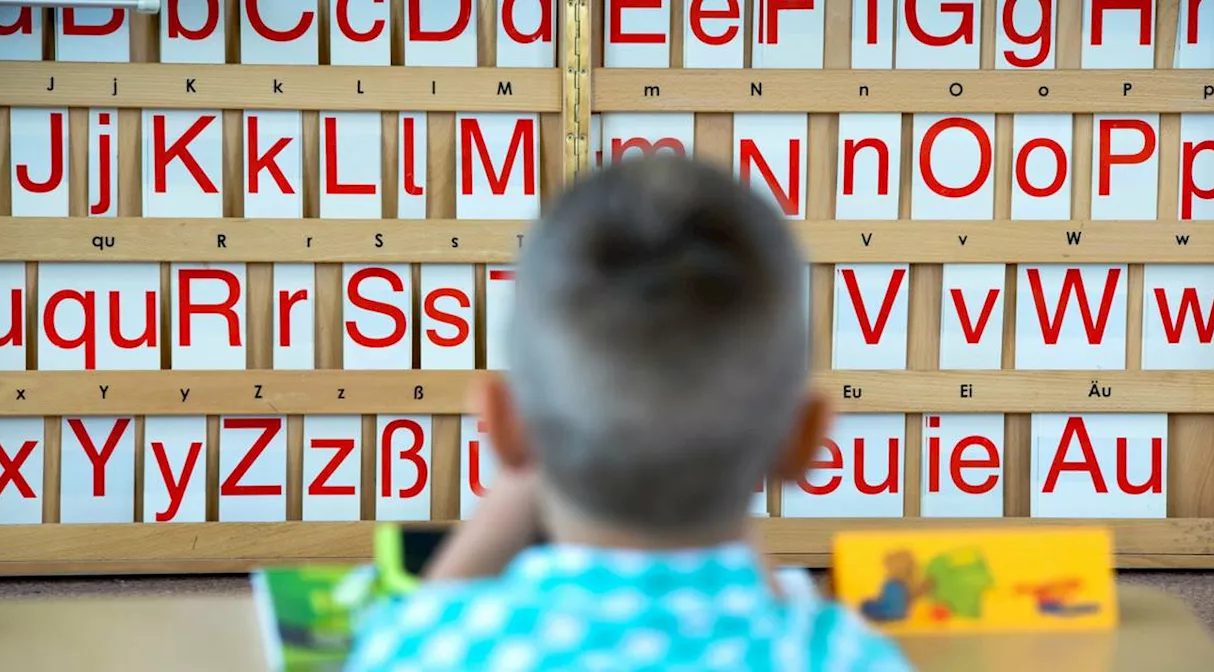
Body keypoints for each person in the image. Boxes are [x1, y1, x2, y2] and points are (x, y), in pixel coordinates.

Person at [346, 157, 912, 671]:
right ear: (807, 439)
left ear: (503, 426)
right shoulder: (848, 657)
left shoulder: (424, 650)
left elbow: (419, 626)